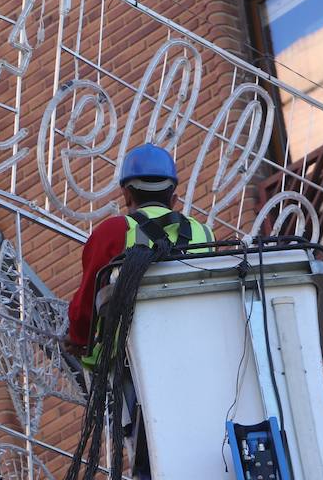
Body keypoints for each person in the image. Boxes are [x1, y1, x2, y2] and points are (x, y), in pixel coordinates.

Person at [66, 143, 213, 368]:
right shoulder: (203, 232)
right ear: (174, 198)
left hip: (131, 360)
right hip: (197, 346)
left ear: (126, 195)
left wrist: (78, 339)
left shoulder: (114, 231)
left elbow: (88, 300)